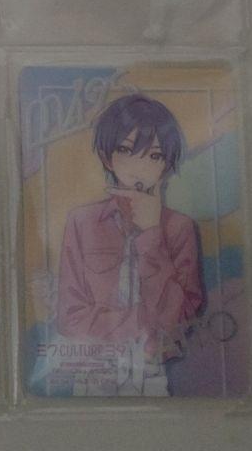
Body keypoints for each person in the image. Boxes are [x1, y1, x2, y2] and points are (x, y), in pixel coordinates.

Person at [54, 94, 203, 395]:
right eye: (126, 150)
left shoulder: (179, 228)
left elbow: (178, 318)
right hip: (93, 371)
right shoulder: (82, 222)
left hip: (152, 371)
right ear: (107, 157)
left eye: (154, 156)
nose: (140, 166)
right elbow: (70, 317)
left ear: (167, 164)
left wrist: (151, 233)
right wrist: (143, 325)